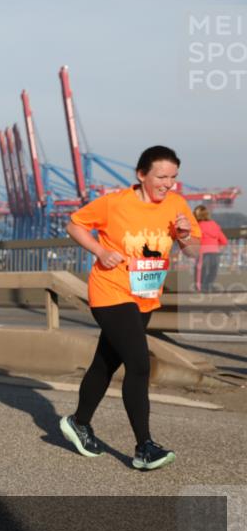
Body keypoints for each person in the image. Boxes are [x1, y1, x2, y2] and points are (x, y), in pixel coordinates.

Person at [60, 145, 201, 471]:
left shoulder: (177, 205)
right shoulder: (115, 203)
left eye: (174, 177)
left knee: (105, 363)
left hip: (146, 296)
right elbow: (75, 224)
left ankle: (78, 423)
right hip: (111, 292)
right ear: (141, 175)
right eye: (161, 176)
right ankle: (144, 448)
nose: (168, 184)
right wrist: (99, 250)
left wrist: (184, 235)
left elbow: (193, 251)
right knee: (139, 364)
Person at [194, 204, 228, 293]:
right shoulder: (214, 225)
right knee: (213, 271)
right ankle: (209, 286)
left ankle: (200, 288)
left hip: (203, 252)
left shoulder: (197, 226)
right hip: (215, 252)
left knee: (200, 270)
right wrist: (215, 244)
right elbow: (224, 241)